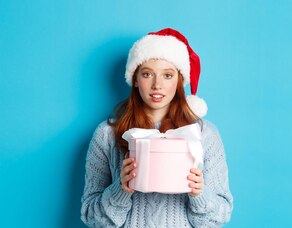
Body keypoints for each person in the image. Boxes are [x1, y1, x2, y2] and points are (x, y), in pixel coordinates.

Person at [80, 28, 233, 227]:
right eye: (147, 74)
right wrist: (120, 189)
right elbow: (91, 217)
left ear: (179, 81)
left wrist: (199, 194)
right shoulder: (106, 134)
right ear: (135, 79)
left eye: (167, 75)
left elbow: (217, 219)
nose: (157, 85)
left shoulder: (205, 135)